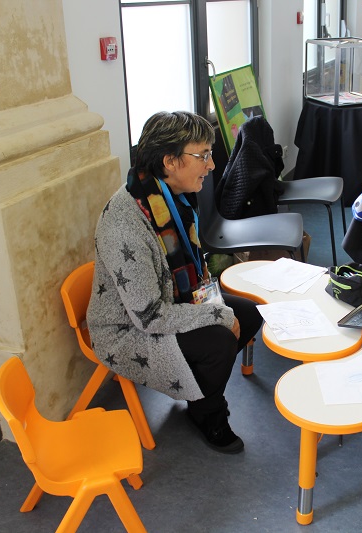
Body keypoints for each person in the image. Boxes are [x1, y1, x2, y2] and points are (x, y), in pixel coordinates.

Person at [87, 111, 263, 455]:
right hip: (125, 330)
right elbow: (149, 316)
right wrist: (218, 314)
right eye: (203, 155)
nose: (212, 165)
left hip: (169, 303)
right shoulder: (126, 225)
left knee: (250, 315)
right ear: (170, 161)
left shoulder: (171, 199)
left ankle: (201, 394)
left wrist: (217, 309)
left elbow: (190, 272)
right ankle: (207, 412)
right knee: (219, 341)